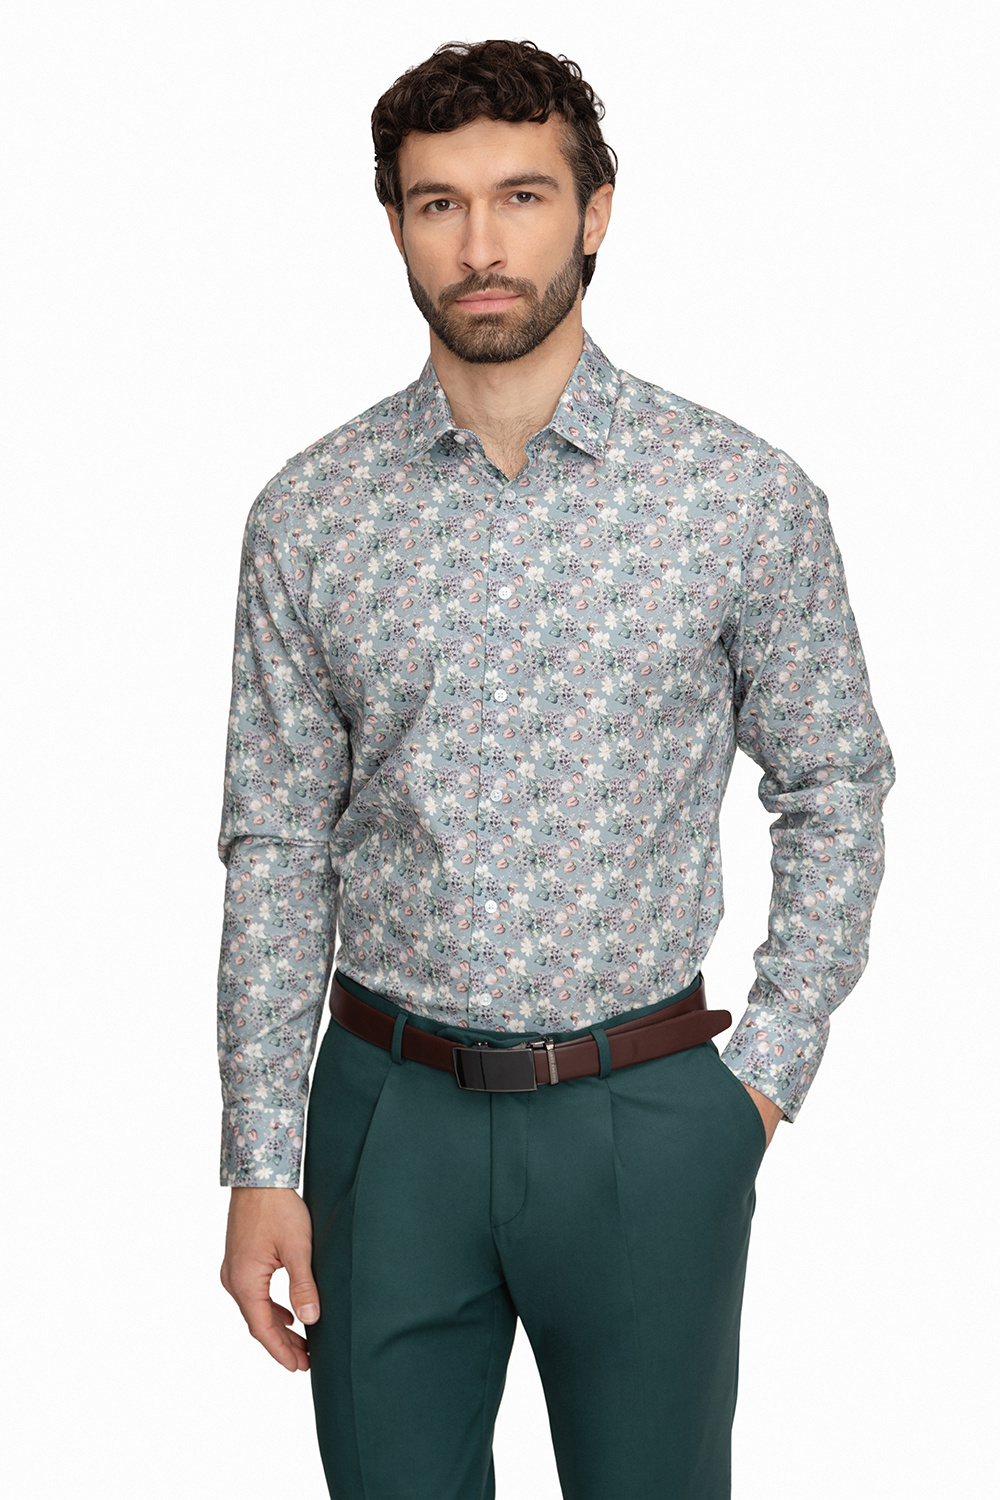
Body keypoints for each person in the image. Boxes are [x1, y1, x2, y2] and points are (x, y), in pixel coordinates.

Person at [216, 37, 895, 1500]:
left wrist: (760, 1081)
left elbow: (835, 782)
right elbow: (275, 842)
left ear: (595, 213)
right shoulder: (311, 514)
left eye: (521, 196)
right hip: (385, 1118)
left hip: (647, 1115)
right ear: (395, 224)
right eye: (439, 203)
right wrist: (262, 1156)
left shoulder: (740, 497)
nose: (481, 244)